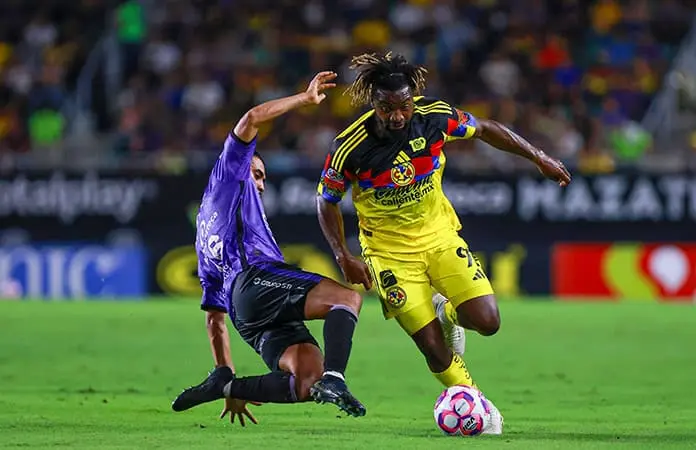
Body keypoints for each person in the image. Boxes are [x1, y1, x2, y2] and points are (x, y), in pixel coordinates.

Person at [316, 53, 572, 434]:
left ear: (413, 100)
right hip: (389, 255)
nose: (397, 116)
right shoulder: (350, 148)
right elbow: (326, 200)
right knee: (433, 347)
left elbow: (485, 128)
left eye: (404, 106)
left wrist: (538, 157)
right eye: (387, 108)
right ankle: (477, 404)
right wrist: (342, 255)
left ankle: (447, 312)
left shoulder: (435, 117)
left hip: (439, 236)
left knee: (487, 321)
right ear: (374, 103)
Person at [172, 71, 366, 424]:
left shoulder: (205, 234)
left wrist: (224, 372)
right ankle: (336, 380)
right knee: (346, 299)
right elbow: (251, 118)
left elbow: (215, 319)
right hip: (257, 280)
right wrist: (304, 99)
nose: (260, 185)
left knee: (306, 381)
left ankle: (228, 387)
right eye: (258, 174)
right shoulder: (229, 177)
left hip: (246, 313)